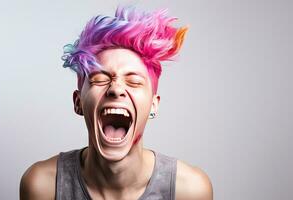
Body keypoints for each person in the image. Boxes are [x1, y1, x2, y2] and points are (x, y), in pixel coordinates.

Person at [20, 6, 213, 200]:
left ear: (154, 105)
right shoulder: (43, 186)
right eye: (99, 79)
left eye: (134, 81)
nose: (116, 89)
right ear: (78, 102)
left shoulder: (190, 190)